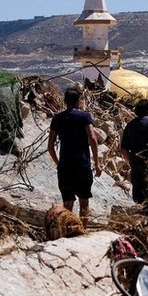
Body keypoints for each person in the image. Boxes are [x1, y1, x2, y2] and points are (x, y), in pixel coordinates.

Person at [48, 86, 101, 222]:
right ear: (78, 100)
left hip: (65, 165)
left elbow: (50, 146)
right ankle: (82, 231)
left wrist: (58, 163)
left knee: (67, 203)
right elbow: (93, 139)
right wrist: (97, 163)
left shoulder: (57, 119)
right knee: (84, 202)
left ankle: (67, 230)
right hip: (82, 164)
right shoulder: (84, 116)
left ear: (65, 101)